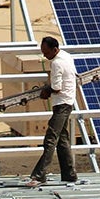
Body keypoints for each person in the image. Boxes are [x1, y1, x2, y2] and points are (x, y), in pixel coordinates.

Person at [27, 36, 79, 186]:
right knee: (62, 139)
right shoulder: (67, 56)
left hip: (61, 104)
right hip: (68, 101)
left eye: (46, 52)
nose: (45, 55)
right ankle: (69, 175)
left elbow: (56, 87)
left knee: (51, 138)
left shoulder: (57, 63)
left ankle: (39, 175)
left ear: (54, 50)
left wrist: (46, 91)